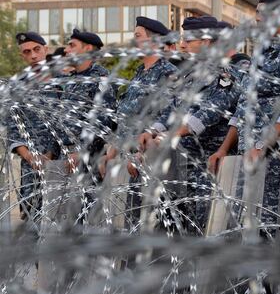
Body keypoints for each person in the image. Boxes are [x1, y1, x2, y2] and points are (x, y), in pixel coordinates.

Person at [207, 0, 280, 223]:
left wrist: (262, 145)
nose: (258, 18)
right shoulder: (260, 55)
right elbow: (243, 105)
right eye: (257, 12)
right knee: (245, 224)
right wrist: (224, 149)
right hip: (247, 154)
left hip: (272, 157)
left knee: (268, 225)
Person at [138, 16, 240, 231]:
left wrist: (169, 135)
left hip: (208, 167)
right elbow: (171, 110)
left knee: (205, 227)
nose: (182, 44)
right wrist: (153, 130)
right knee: (177, 229)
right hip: (182, 166)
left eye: (188, 40)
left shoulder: (224, 74)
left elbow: (207, 114)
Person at [99, 16, 177, 180]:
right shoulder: (139, 74)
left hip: (150, 161)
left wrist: (144, 153)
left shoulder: (167, 73)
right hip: (128, 162)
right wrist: (110, 154)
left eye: (138, 36)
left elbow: (168, 117)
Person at [6, 32, 59, 220]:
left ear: (46, 49)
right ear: (22, 56)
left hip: (59, 162)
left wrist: (50, 153)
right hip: (30, 165)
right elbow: (12, 125)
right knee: (31, 218)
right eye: (27, 52)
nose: (33, 56)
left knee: (58, 218)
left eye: (37, 49)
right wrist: (27, 154)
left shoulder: (62, 81)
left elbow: (66, 123)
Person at [58, 29, 116, 170]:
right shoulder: (71, 80)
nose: (66, 50)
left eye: (72, 46)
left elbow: (105, 120)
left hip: (88, 159)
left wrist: (82, 152)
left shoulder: (100, 78)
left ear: (87, 48)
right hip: (65, 156)